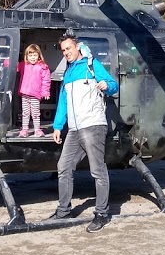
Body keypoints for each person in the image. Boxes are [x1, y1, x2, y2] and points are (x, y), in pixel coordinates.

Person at [50, 32, 119, 233]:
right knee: (63, 166)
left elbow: (113, 85)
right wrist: (57, 125)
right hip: (74, 129)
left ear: (77, 47)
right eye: (63, 50)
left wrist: (107, 85)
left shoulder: (91, 65)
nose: (66, 53)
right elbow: (63, 101)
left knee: (97, 170)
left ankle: (102, 214)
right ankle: (63, 211)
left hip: (93, 125)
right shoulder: (68, 72)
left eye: (68, 49)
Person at [17, 44, 51, 137]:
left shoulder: (42, 67)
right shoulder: (23, 65)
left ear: (39, 56)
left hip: (35, 94)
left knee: (35, 113)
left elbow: (46, 80)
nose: (33, 58)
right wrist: (6, 61)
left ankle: (37, 130)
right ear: (26, 56)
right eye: (30, 55)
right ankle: (25, 130)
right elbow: (14, 66)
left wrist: (45, 92)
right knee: (25, 113)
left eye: (35, 55)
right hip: (25, 93)